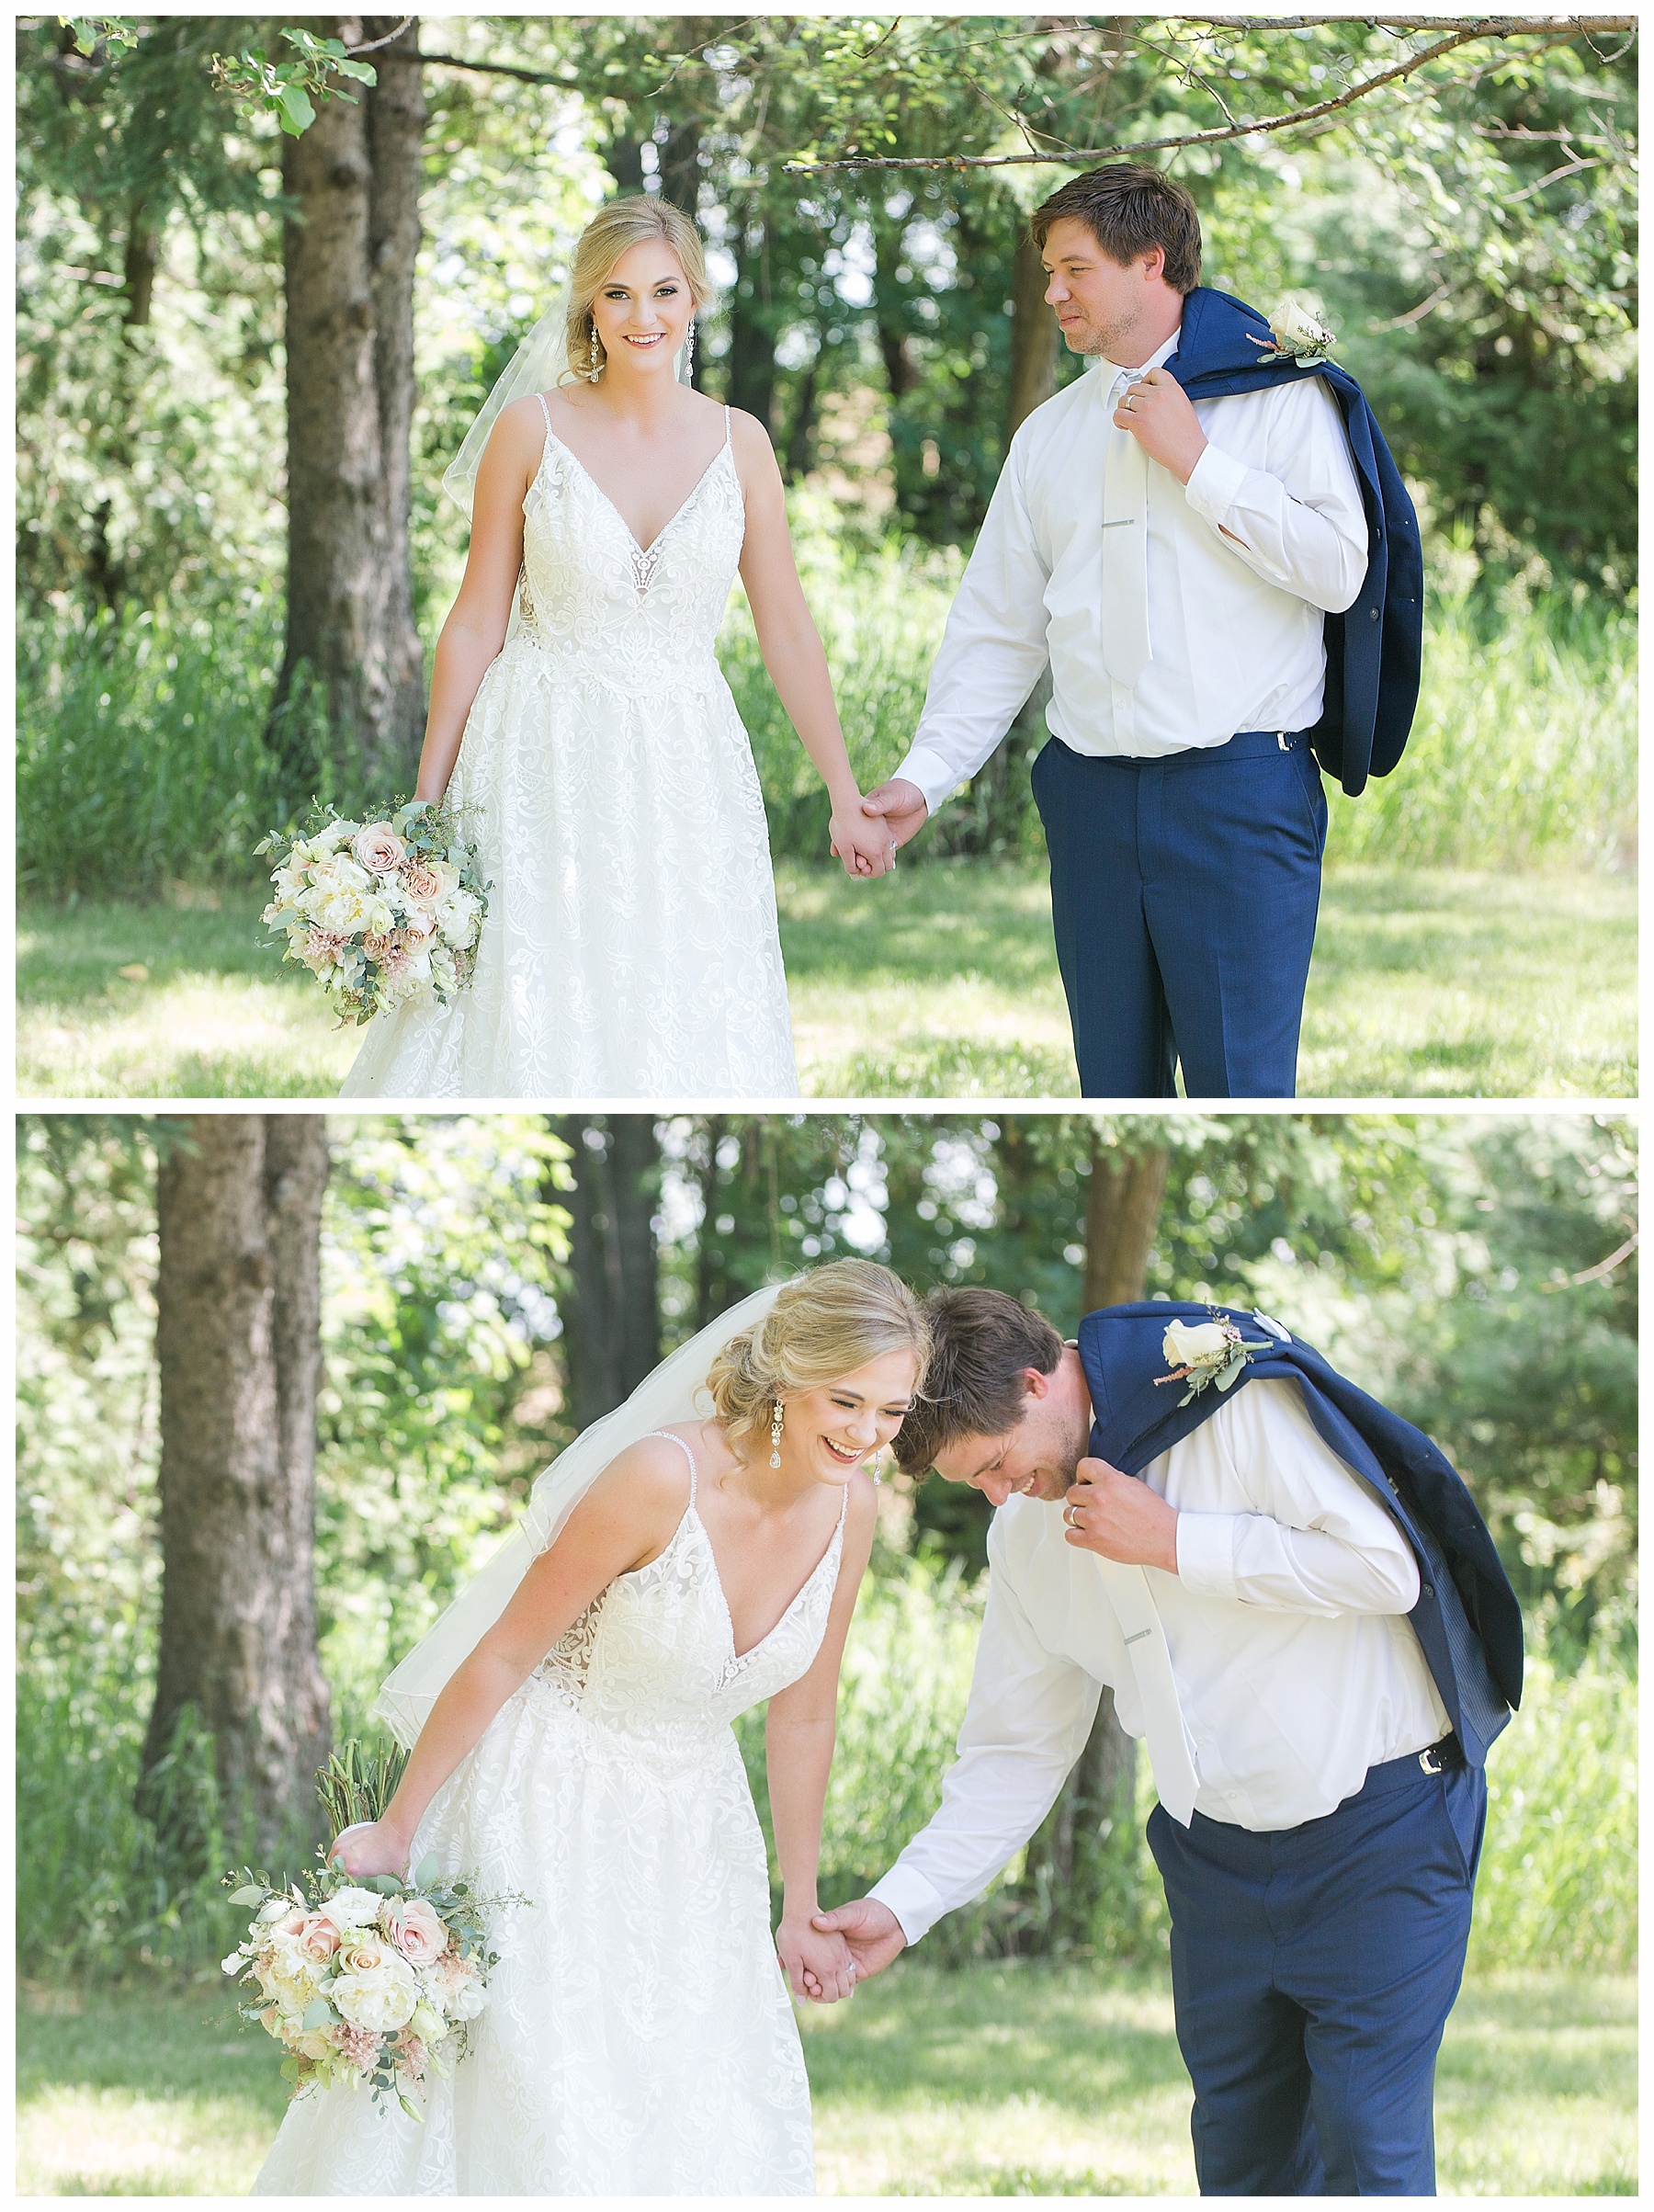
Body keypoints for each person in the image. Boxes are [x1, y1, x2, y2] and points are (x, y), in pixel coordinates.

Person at [815, 1287, 1523, 2197]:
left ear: (1038, 1381)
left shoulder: (1237, 1408)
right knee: (1241, 2162)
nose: (999, 1493)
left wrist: (1177, 1540)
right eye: (975, 1482)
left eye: (996, 1463)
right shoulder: (1026, 1538)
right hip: (1214, 1867)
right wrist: (905, 1903)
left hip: (1382, 1839)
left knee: (1369, 2149)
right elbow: (1016, 1749)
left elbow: (1387, 1566)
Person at [252, 1260, 929, 2195]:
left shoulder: (854, 1505)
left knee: (693, 2089)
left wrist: (801, 1904)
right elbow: (502, 1654)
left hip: (697, 1829)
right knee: (549, 2089)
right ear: (787, 1375)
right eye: (846, 1400)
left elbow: (806, 1709)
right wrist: (398, 1826)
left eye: (892, 1411)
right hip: (545, 1799)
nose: (867, 1434)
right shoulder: (660, 1476)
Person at [859, 164, 1423, 1099]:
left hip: (1239, 797)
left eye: (1072, 268)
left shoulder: (1281, 398)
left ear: (1149, 263)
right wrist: (927, 777)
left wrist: (1197, 462)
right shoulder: (1046, 437)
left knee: (1242, 1093)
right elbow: (998, 628)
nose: (1051, 292)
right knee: (1111, 1092)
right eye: (1050, 269)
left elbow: (1341, 569)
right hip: (1088, 803)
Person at [340, 195, 892, 1101]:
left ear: (695, 298)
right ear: (590, 307)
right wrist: (423, 809)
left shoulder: (740, 443)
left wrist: (844, 793)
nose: (644, 316)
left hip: (685, 752)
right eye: (619, 294)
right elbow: (476, 619)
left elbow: (787, 626)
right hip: (538, 749)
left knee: (676, 978)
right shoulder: (531, 431)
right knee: (532, 977)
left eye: (664, 291)